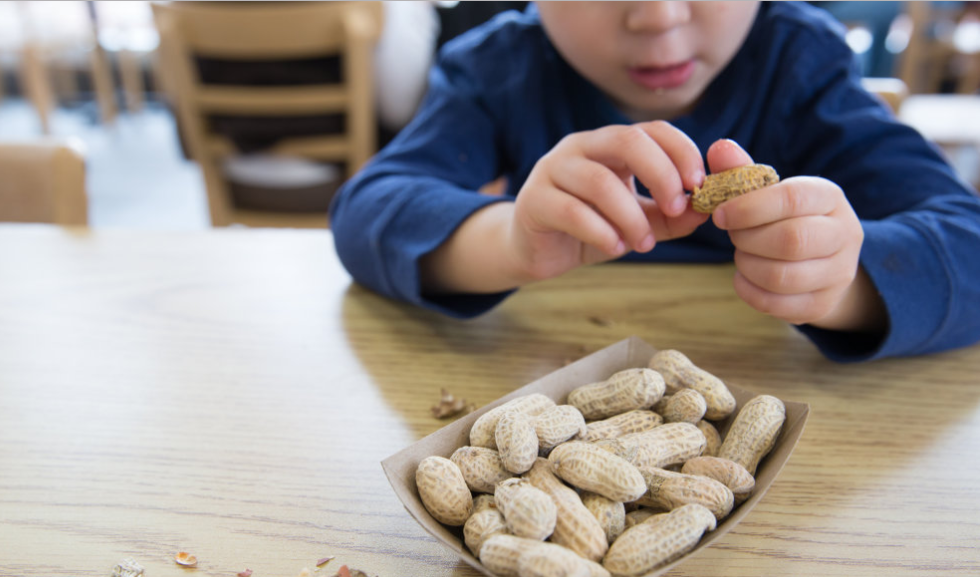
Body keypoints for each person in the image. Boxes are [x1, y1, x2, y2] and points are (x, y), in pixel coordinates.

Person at [329, 2, 980, 363]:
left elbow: (968, 243)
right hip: (544, 372)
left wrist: (845, 280)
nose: (660, 16)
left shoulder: (800, 65)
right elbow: (367, 210)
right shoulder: (497, 69)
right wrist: (509, 239)